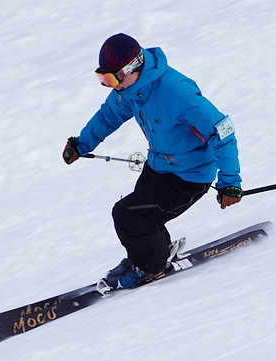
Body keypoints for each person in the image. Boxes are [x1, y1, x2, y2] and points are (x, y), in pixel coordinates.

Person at [63, 33, 243, 289]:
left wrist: (230, 182)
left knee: (127, 215)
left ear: (132, 67)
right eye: (103, 79)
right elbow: (108, 116)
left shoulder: (176, 91)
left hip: (189, 176)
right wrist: (81, 144)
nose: (109, 85)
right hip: (159, 165)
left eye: (112, 78)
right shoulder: (130, 90)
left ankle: (151, 267)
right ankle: (148, 256)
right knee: (140, 215)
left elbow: (222, 130)